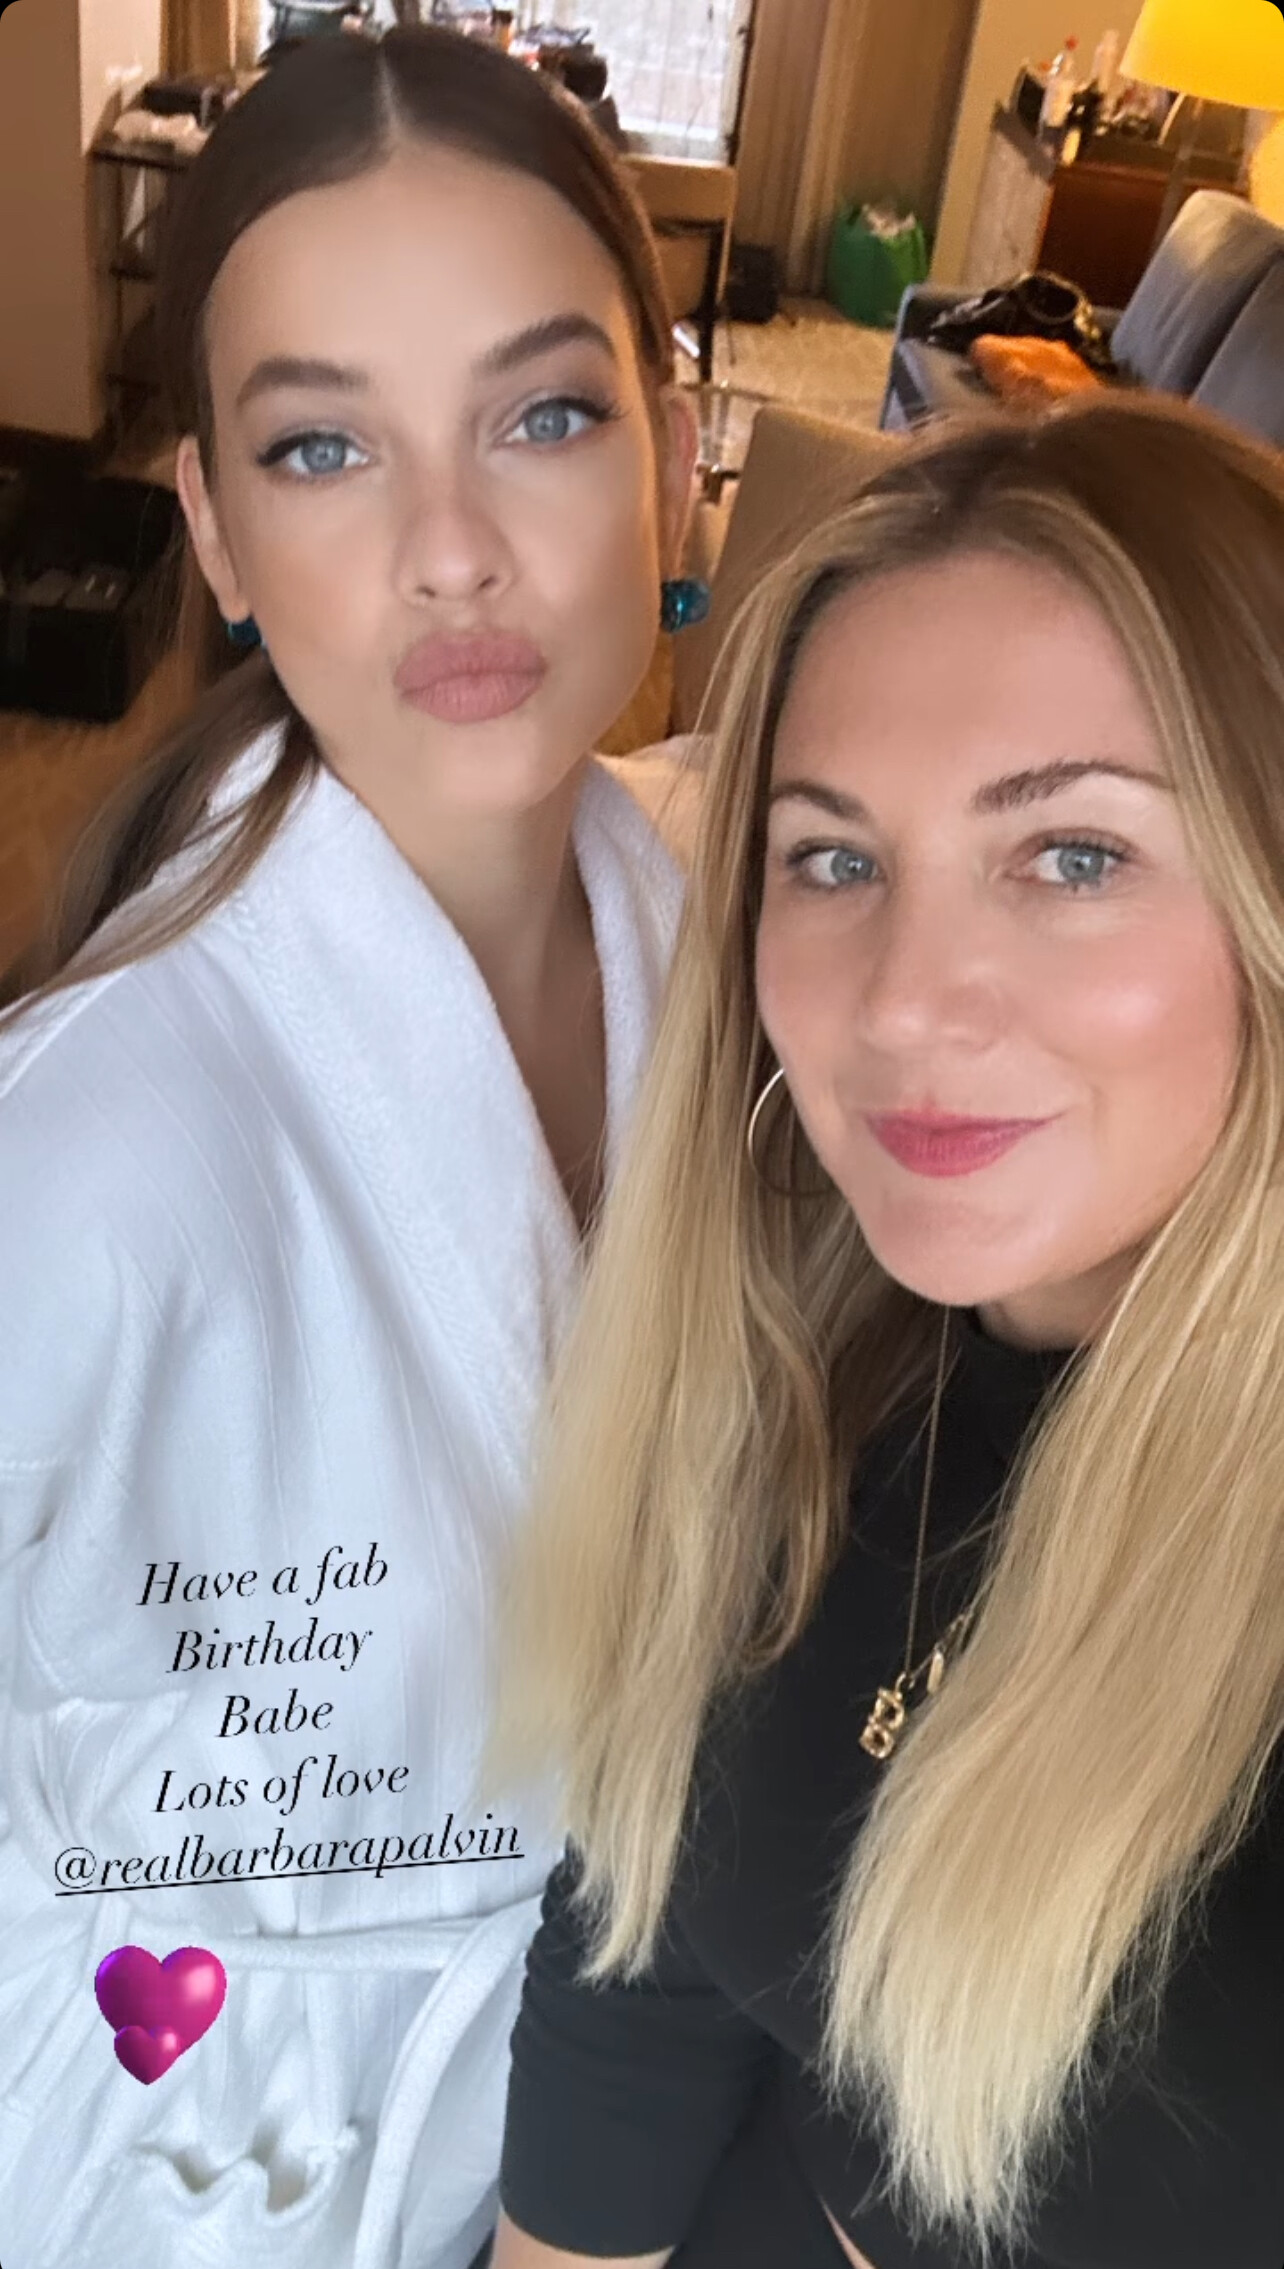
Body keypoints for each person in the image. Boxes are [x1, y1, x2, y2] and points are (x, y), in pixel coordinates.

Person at [0, 26, 697, 2269]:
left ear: (681, 456)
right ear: (210, 527)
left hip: (618, 2144)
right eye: (322, 446)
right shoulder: (86, 1155)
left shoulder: (736, 964)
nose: (451, 552)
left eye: (545, 415)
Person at [488, 396, 1284, 2269]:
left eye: (1073, 855)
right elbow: (642, 1951)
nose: (907, 1004)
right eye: (835, 860)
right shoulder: (808, 1368)